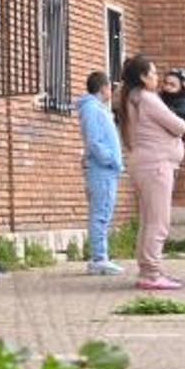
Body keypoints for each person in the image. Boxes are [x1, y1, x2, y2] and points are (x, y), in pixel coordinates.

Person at [116, 54, 185, 290]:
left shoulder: (130, 98)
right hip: (156, 166)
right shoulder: (147, 99)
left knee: (148, 219)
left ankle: (148, 268)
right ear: (143, 77)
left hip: (144, 163)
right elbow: (179, 125)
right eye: (154, 73)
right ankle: (151, 273)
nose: (157, 78)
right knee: (159, 221)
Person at [75, 71, 124, 276]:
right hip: (101, 169)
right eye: (109, 88)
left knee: (102, 213)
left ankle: (100, 257)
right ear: (103, 88)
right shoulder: (92, 110)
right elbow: (94, 141)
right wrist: (111, 160)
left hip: (104, 169)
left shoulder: (96, 109)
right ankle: (98, 258)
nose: (110, 92)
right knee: (101, 214)